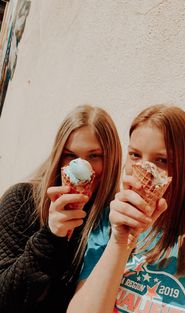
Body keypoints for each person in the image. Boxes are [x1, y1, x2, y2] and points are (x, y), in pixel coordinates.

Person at [67, 104, 185, 313]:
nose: (143, 168)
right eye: (135, 155)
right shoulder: (109, 223)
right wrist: (120, 242)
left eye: (162, 160)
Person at [0, 104, 122, 313]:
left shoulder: (110, 222)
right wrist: (50, 237)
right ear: (58, 156)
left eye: (94, 156)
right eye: (70, 155)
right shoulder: (22, 200)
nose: (81, 167)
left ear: (111, 160)